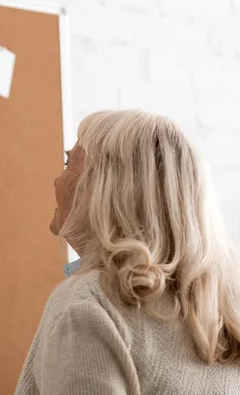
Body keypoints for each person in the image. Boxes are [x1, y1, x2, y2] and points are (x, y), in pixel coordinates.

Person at [15, 110, 240, 394]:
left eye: (68, 164)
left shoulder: (89, 306)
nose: (57, 181)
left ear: (104, 188)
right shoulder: (221, 314)